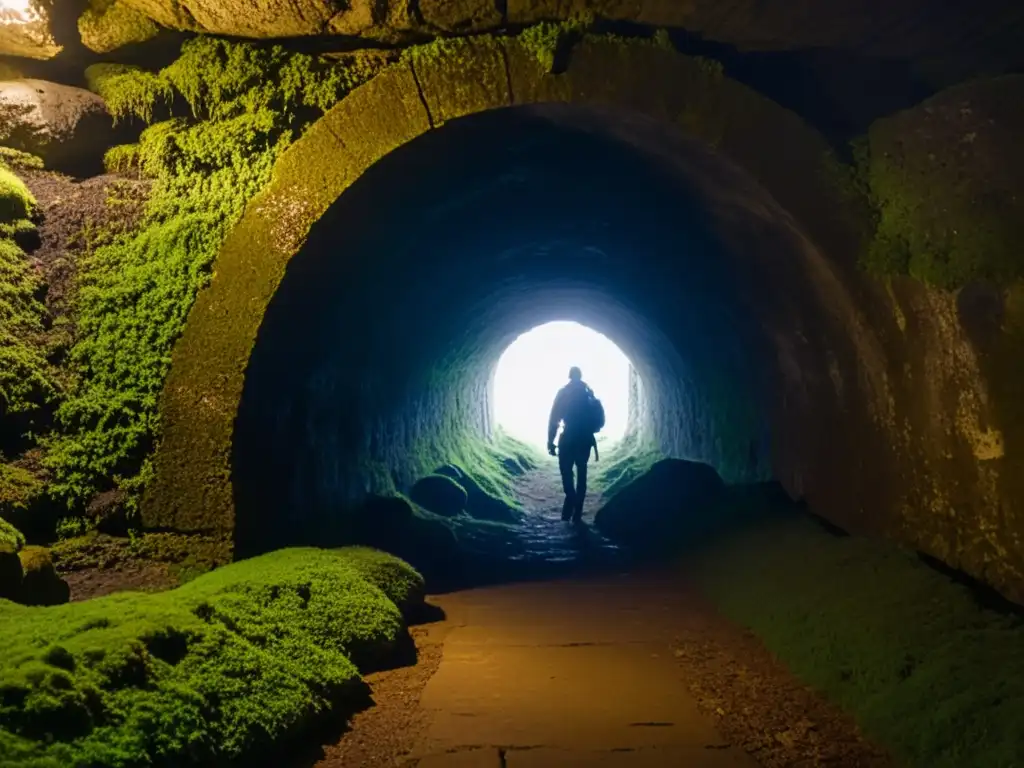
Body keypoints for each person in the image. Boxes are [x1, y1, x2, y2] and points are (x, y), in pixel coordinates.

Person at [547, 366, 600, 524]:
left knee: (566, 472)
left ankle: (571, 499)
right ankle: (577, 512)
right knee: (582, 472)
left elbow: (554, 418)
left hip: (568, 437)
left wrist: (551, 441)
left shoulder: (564, 393)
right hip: (585, 439)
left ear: (569, 376)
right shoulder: (588, 393)